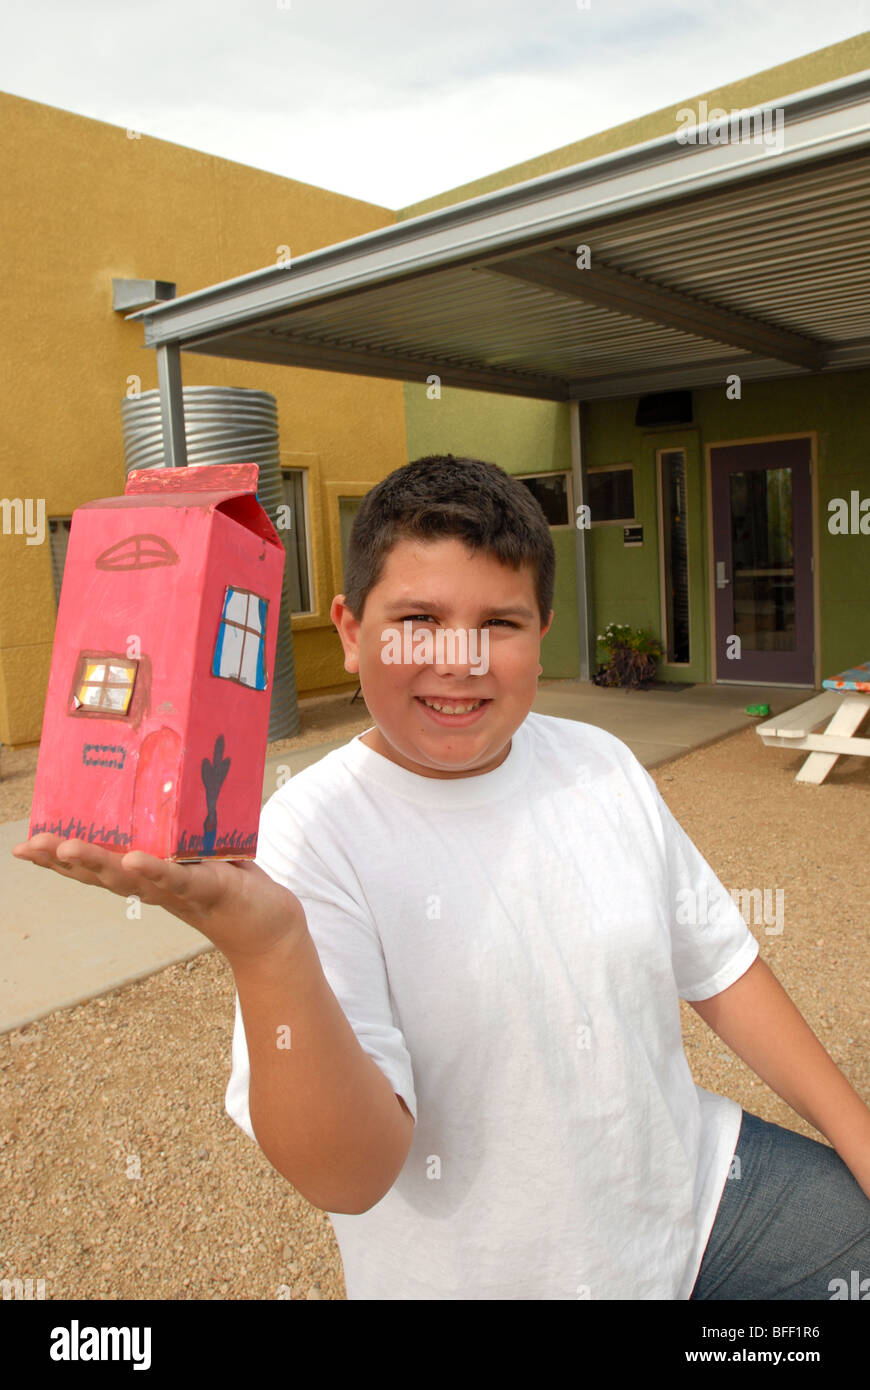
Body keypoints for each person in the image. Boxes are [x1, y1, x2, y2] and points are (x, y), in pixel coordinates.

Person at [14, 455, 870, 1301]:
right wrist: (267, 946)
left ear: (542, 635)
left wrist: (858, 1137)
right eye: (418, 619)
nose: (459, 660)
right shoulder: (311, 834)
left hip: (705, 1204)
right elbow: (348, 1175)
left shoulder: (599, 765)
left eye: (499, 623)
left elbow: (720, 969)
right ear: (351, 632)